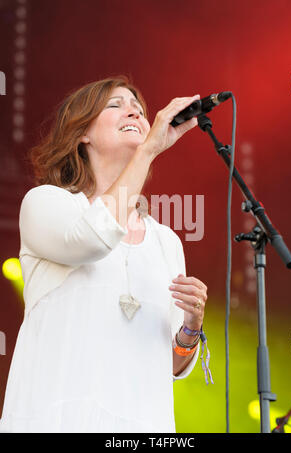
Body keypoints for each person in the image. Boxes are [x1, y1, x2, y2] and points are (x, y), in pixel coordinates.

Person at [0, 76, 209, 433]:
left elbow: (170, 364)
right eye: (116, 104)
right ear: (83, 133)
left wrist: (191, 328)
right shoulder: (47, 204)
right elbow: (92, 238)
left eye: (139, 109)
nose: (134, 110)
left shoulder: (166, 242)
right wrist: (147, 151)